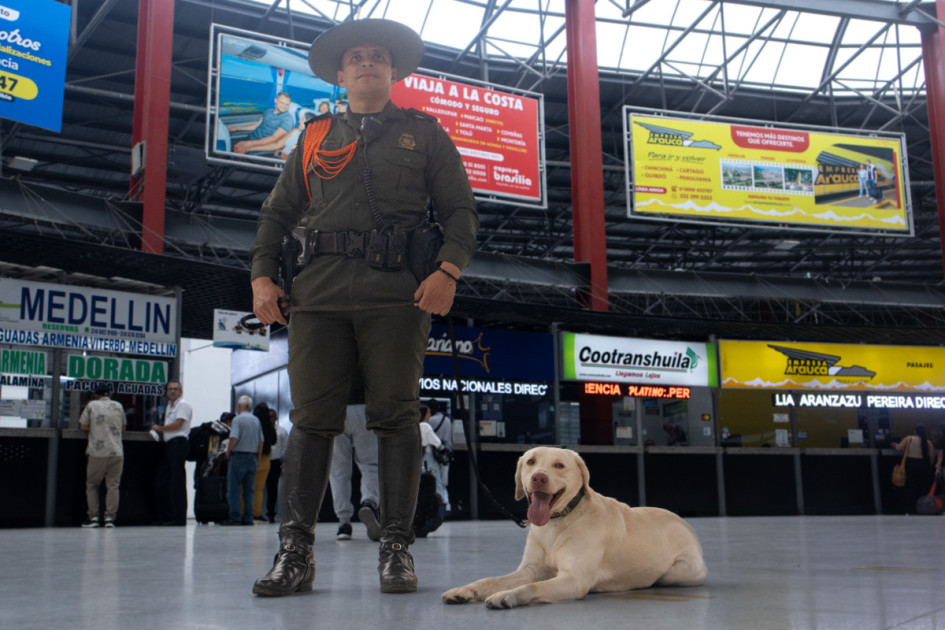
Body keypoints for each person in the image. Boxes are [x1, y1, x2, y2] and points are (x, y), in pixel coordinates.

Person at [249, 18, 478, 597]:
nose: (368, 62)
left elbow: (461, 213)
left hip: (397, 298)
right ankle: (295, 553)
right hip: (319, 297)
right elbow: (276, 215)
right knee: (311, 423)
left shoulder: (425, 134)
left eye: (379, 55)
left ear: (393, 69)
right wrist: (261, 278)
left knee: (396, 419)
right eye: (357, 57)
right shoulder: (314, 136)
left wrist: (447, 271)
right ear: (343, 72)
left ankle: (396, 548)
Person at [329, 402, 381, 541]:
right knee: (370, 464)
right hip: (364, 407)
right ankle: (369, 502)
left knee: (338, 470)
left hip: (336, 408)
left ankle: (343, 523)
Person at [79, 382, 126, 528]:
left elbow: (84, 426)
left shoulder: (92, 405)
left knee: (92, 485)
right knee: (113, 486)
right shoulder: (118, 406)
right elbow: (123, 428)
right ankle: (110, 519)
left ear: (95, 394)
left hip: (98, 452)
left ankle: (93, 517)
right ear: (110, 394)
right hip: (117, 452)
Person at [152, 380, 192, 526]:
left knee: (177, 481)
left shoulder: (183, 405)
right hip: (169, 444)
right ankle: (167, 515)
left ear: (181, 391)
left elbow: (178, 424)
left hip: (178, 444)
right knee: (162, 480)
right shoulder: (169, 406)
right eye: (170, 389)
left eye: (176, 389)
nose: (173, 391)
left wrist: (160, 429)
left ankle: (179, 518)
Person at [222, 395, 264, 526]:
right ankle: (248, 517)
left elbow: (234, 437)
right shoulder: (256, 420)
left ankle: (235, 517)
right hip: (252, 457)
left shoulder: (237, 420)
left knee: (234, 489)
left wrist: (228, 451)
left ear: (238, 407)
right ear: (250, 407)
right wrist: (258, 458)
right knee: (249, 490)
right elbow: (261, 441)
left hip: (238, 457)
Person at [229, 91, 295, 154]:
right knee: (228, 144)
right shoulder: (268, 111)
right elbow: (256, 125)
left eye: (287, 104)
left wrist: (248, 144)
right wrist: (235, 128)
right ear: (276, 101)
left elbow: (274, 138)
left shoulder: (287, 120)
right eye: (282, 103)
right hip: (251, 138)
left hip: (260, 146)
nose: (284, 106)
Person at [892, 424, 936, 514]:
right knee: (922, 487)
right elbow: (932, 456)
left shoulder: (909, 438)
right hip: (923, 465)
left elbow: (899, 447)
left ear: (915, 431)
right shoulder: (928, 442)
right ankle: (922, 508)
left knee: (910, 487)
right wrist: (929, 466)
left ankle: (910, 509)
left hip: (911, 464)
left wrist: (893, 444)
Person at [425, 399, 452, 512]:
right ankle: (447, 504)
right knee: (444, 480)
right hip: (446, 452)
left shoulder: (428, 422)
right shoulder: (447, 420)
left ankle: (441, 506)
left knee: (437, 480)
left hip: (433, 453)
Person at [253, 402, 277, 522]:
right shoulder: (269, 426)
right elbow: (274, 440)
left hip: (252, 457)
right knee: (259, 489)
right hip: (266, 458)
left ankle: (244, 512)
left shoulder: (253, 423)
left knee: (246, 487)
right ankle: (257, 513)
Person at [419, 405, 447, 502]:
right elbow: (436, 442)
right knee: (436, 480)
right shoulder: (425, 426)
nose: (430, 415)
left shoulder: (414, 425)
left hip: (417, 455)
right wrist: (442, 449)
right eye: (428, 412)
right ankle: (442, 503)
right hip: (427, 455)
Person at [266, 408, 289, 523]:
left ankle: (271, 513)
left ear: (276, 418)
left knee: (273, 488)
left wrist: (284, 462)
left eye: (272, 416)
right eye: (268, 416)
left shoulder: (281, 431)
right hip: (263, 460)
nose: (271, 419)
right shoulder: (262, 430)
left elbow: (285, 448)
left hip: (275, 461)